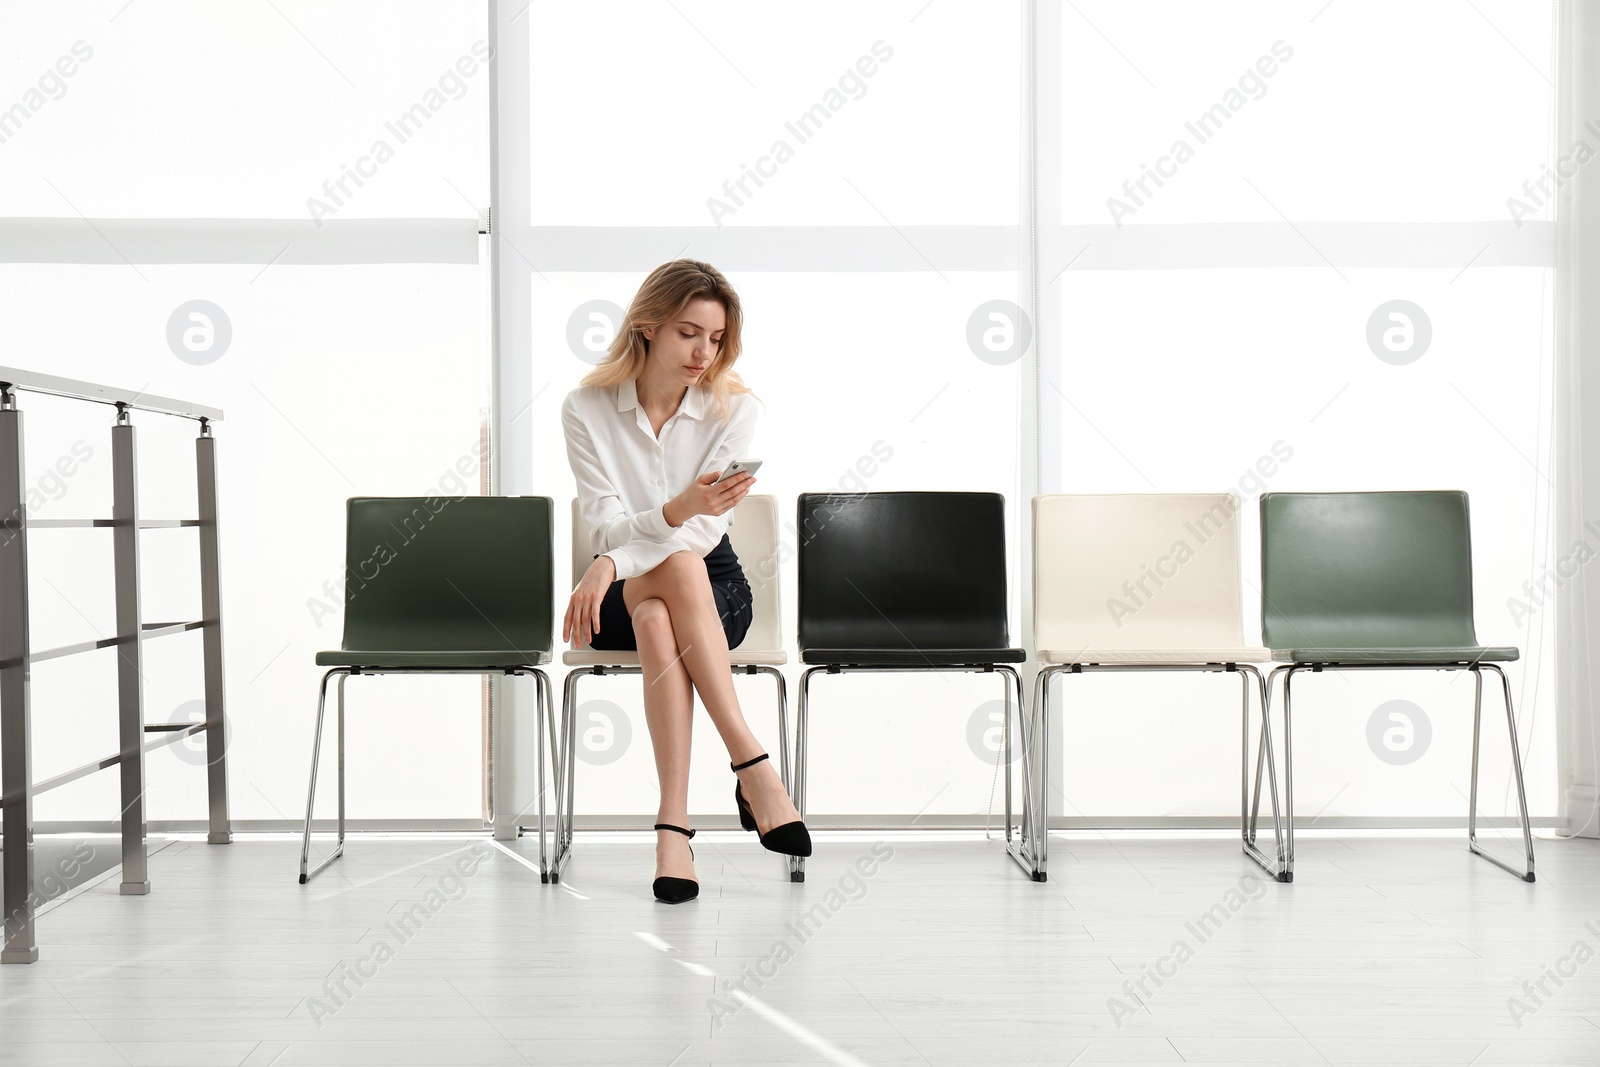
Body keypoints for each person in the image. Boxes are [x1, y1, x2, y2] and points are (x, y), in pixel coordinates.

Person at [560, 259, 811, 904]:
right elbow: (605, 522)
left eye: (717, 339)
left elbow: (700, 533)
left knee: (665, 597)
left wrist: (616, 557)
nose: (705, 352)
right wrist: (632, 543)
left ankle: (673, 827)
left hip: (713, 588)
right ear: (647, 327)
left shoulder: (734, 409)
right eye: (688, 333)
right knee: (654, 593)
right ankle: (752, 766)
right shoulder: (586, 408)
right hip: (614, 596)